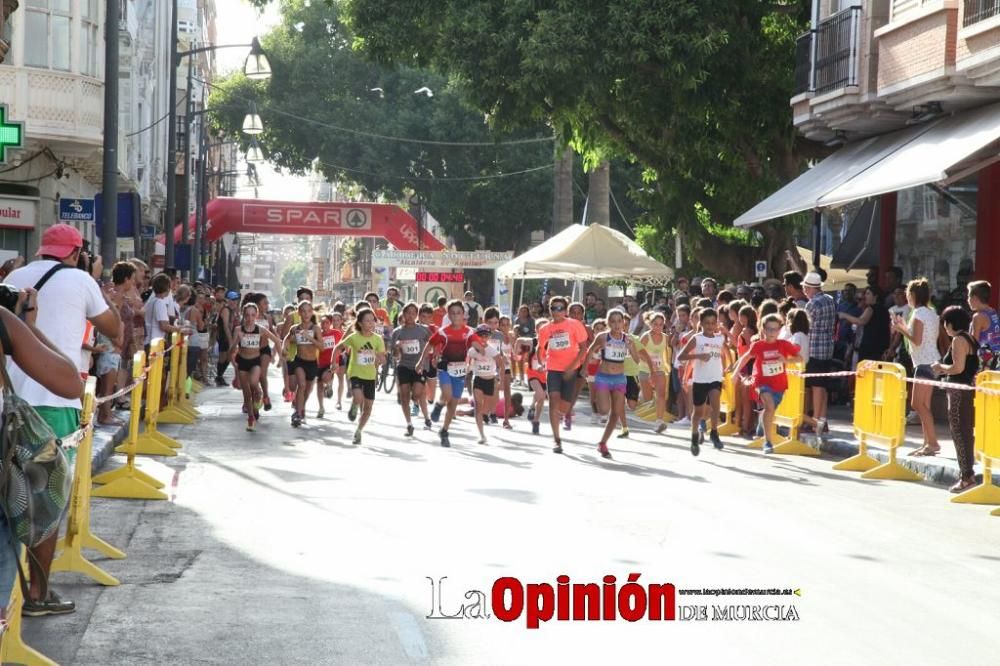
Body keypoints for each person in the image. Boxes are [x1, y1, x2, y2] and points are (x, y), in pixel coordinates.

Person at [4, 224, 120, 617]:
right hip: (50, 401)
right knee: (44, 502)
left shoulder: (15, 279)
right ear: (76, 252)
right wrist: (30, 328)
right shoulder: (80, 279)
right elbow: (114, 329)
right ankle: (37, 592)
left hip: (11, 399)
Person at [728, 314, 803, 454]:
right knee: (769, 406)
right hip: (761, 382)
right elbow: (745, 357)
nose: (772, 332)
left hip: (779, 385)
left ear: (780, 330)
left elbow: (800, 358)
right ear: (763, 329)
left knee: (770, 410)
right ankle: (768, 441)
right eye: (769, 329)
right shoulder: (759, 345)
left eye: (775, 329)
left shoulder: (784, 345)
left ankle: (765, 431)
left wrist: (786, 361)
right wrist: (735, 373)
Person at [418, 299, 487, 447]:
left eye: (458, 313)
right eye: (453, 313)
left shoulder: (469, 332)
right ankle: (439, 405)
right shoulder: (443, 331)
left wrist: (479, 349)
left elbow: (479, 346)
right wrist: (420, 362)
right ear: (448, 315)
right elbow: (430, 344)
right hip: (445, 367)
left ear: (464, 315)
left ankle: (444, 430)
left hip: (461, 370)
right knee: (447, 394)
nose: (456, 316)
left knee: (453, 405)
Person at [931, 306, 979, 493]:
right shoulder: (970, 338)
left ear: (950, 323)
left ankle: (966, 477)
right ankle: (968, 475)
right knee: (964, 434)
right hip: (963, 391)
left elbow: (958, 368)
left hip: (959, 392)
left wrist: (940, 367)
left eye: (945, 323)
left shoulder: (959, 340)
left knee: (960, 434)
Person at [892, 278, 940, 457]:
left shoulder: (918, 313)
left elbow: (917, 340)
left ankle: (932, 442)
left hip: (924, 362)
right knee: (924, 405)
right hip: (930, 360)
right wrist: (904, 328)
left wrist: (901, 329)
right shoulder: (931, 313)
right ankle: (927, 443)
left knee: (917, 404)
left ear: (912, 295)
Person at [536, 296, 590, 454]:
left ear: (565, 311)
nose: (557, 311)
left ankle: (561, 415)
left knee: (565, 406)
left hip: (571, 369)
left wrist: (573, 367)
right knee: (553, 400)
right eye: (554, 308)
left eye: (560, 308)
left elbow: (583, 348)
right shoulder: (545, 328)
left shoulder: (574, 325)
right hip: (553, 368)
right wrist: (541, 363)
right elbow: (540, 348)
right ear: (550, 310)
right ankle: (557, 440)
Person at [587, 309, 641, 458]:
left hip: (619, 379)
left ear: (624, 323)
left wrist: (631, 348)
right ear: (609, 323)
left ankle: (603, 443)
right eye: (614, 321)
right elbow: (590, 351)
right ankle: (598, 403)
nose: (617, 324)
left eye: (620, 321)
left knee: (616, 413)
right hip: (603, 377)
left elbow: (637, 360)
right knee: (604, 410)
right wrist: (585, 368)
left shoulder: (627, 339)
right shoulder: (603, 337)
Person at [677, 309, 728, 455]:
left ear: (716, 323)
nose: (710, 326)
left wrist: (725, 368)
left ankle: (714, 432)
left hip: (715, 377)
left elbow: (724, 354)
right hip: (700, 379)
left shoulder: (720, 338)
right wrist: (699, 356)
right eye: (707, 323)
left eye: (713, 323)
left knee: (715, 401)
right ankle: (694, 435)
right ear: (701, 323)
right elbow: (681, 356)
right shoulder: (697, 338)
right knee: (698, 412)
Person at [333, 309, 386, 444]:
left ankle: (358, 431)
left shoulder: (378, 339)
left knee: (368, 409)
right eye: (367, 320)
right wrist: (333, 363)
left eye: (372, 320)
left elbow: (382, 358)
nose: (370, 323)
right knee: (358, 397)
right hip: (355, 373)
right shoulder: (354, 337)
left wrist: (381, 359)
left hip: (370, 376)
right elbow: (338, 348)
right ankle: (355, 405)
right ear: (360, 323)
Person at [229, 303, 282, 431]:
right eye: (247, 315)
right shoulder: (238, 330)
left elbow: (276, 340)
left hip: (255, 362)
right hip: (242, 362)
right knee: (246, 394)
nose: (250, 318)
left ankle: (259, 393)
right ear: (243, 315)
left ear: (256, 315)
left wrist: (281, 357)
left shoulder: (260, 329)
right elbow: (231, 350)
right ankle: (251, 418)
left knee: (254, 383)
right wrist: (237, 341)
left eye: (253, 315)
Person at [803, 271, 836, 439]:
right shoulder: (830, 301)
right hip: (828, 348)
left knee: (815, 385)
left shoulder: (811, 305)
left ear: (810, 288)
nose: (804, 290)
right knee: (823, 385)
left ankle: (815, 421)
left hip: (814, 348)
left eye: (805, 287)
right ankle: (822, 419)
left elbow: (807, 327)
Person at [391, 302, 431, 437]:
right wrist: (397, 348)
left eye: (414, 313)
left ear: (417, 315)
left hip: (419, 366)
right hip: (404, 365)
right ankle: (409, 424)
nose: (410, 315)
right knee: (404, 395)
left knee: (417, 394)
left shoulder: (424, 330)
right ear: (403, 314)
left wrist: (434, 357)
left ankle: (416, 403)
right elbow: (395, 356)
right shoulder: (397, 332)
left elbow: (432, 344)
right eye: (408, 312)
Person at [285, 301, 323, 427]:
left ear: (312, 312)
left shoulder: (316, 328)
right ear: (299, 313)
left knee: (306, 390)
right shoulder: (295, 328)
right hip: (299, 361)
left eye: (308, 311)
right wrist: (284, 347)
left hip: (312, 363)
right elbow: (287, 338)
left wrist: (309, 338)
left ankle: (300, 407)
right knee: (301, 385)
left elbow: (321, 347)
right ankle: (297, 413)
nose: (306, 314)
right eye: (303, 311)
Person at [468, 324, 504, 444]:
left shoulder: (492, 350)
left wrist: (500, 379)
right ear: (476, 336)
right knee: (478, 406)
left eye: (486, 336)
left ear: (489, 337)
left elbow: (501, 364)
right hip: (478, 378)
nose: (483, 338)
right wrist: (468, 367)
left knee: (486, 408)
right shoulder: (472, 350)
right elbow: (468, 361)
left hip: (490, 379)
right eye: (480, 335)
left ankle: (485, 415)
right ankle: (482, 435)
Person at [638, 312, 671, 433]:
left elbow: (666, 353)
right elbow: (638, 352)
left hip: (659, 370)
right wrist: (648, 361)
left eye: (661, 325)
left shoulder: (665, 337)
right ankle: (641, 396)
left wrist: (666, 365)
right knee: (648, 397)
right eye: (656, 324)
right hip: (645, 369)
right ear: (651, 324)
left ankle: (659, 421)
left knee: (661, 395)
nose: (658, 327)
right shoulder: (646, 336)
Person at [316, 313, 344, 418]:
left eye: (327, 322)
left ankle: (329, 386)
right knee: (319, 385)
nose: (324, 325)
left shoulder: (336, 333)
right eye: (322, 323)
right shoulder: (319, 335)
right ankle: (321, 407)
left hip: (332, 363)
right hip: (320, 363)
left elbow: (344, 344)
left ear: (330, 323)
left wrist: (343, 351)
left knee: (327, 377)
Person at [968, 280, 1000, 371]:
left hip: (984, 361)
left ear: (974, 298)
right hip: (997, 359)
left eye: (968, 296)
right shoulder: (993, 312)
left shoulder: (978, 317)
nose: (968, 300)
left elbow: (974, 342)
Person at [214, 290, 238, 386]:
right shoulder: (226, 310)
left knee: (228, 357)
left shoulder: (232, 310)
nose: (234, 302)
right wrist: (230, 340)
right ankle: (219, 377)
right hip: (224, 337)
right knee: (223, 357)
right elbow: (225, 326)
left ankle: (219, 376)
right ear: (228, 300)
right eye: (232, 300)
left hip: (227, 336)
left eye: (235, 300)